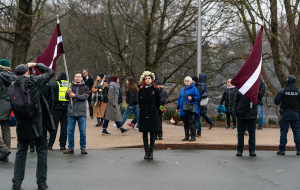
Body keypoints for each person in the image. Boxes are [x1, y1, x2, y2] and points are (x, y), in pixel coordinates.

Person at [12, 62, 55, 190]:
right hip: (38, 122)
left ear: (16, 74)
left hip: (22, 122)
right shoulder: (34, 81)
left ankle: (16, 182)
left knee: (21, 152)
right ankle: (41, 183)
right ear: (28, 72)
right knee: (41, 151)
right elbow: (50, 72)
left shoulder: (13, 84)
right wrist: (36, 64)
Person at [63, 72, 90, 154]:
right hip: (72, 112)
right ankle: (70, 147)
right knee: (70, 131)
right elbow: (66, 98)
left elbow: (85, 97)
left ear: (82, 78)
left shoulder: (85, 87)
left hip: (81, 112)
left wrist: (74, 95)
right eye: (76, 76)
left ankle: (83, 148)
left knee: (83, 132)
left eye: (79, 77)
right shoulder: (70, 87)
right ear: (74, 78)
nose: (77, 78)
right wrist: (68, 93)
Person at [274, 75, 300, 156]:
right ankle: (299, 150)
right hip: (296, 114)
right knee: (297, 132)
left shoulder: (283, 91)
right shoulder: (298, 91)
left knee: (284, 132)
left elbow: (276, 101)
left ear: (288, 81)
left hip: (285, 114)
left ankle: (282, 150)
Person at [139, 71, 160, 160]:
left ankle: (151, 151)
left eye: (149, 79)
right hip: (144, 112)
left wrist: (153, 109)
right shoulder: (141, 90)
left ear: (152, 80)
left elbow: (158, 102)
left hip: (152, 112)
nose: (147, 80)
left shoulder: (156, 90)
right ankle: (146, 151)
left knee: (152, 132)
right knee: (144, 132)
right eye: (146, 79)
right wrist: (143, 109)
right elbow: (139, 102)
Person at [48, 72, 70, 150]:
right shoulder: (69, 84)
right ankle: (62, 145)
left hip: (56, 107)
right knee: (64, 127)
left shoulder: (56, 84)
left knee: (54, 127)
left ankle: (50, 144)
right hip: (66, 107)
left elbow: (52, 96)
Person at [233, 91, 257, 157]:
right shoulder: (239, 90)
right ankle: (239, 150)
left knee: (252, 133)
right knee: (240, 133)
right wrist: (234, 112)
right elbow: (235, 102)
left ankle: (252, 150)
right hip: (241, 114)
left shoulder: (254, 89)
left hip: (251, 114)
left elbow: (259, 98)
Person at [0, 59, 15, 162]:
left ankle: (3, 149)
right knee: (5, 128)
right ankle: (5, 155)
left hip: (1, 104)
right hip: (9, 105)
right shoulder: (13, 77)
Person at [176, 76, 200, 142]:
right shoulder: (182, 89)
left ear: (191, 81)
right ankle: (186, 136)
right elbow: (179, 99)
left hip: (191, 108)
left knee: (191, 123)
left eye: (188, 81)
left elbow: (198, 97)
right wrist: (177, 107)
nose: (186, 82)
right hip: (183, 109)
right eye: (185, 81)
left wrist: (192, 98)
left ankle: (193, 137)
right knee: (185, 123)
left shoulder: (194, 89)